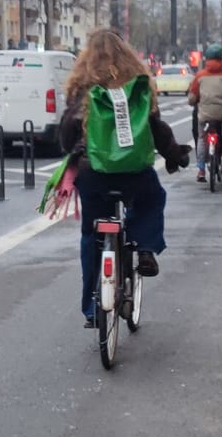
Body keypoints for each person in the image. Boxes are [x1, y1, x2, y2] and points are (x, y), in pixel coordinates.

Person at [57, 29, 190, 327]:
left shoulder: (82, 88)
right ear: (126, 54)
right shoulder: (136, 86)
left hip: (93, 173)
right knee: (152, 198)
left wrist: (74, 150)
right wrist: (174, 155)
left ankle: (93, 307)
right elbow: (156, 129)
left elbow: (67, 132)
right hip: (134, 173)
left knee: (92, 235)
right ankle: (145, 246)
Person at [187, 44, 222, 177]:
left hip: (204, 114)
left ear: (207, 59)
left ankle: (200, 169)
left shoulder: (199, 76)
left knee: (201, 137)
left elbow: (192, 99)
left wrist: (196, 100)